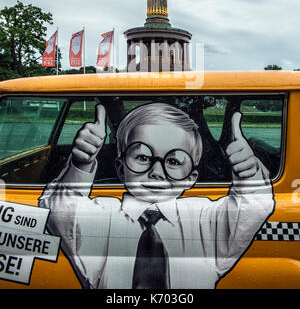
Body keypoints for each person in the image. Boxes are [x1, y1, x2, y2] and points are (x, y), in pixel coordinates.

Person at [38, 102, 275, 289]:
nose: (156, 172)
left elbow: (252, 207)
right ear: (120, 169)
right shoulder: (102, 213)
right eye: (143, 157)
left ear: (191, 179)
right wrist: (80, 164)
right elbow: (61, 211)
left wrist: (249, 173)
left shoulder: (204, 217)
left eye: (173, 161)